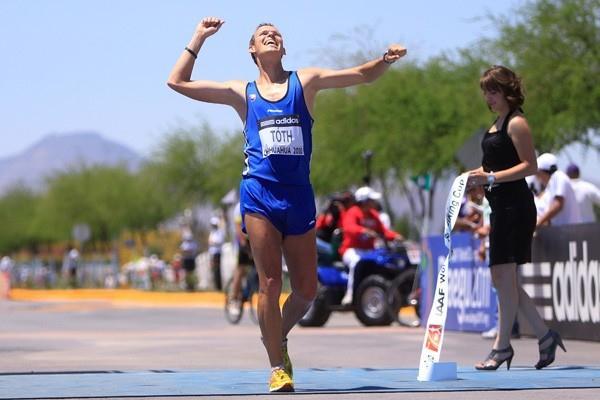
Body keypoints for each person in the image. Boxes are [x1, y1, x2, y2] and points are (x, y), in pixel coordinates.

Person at [167, 17, 406, 392]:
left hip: (298, 197)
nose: (272, 35)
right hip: (259, 194)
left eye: (277, 33)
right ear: (252, 50)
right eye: (264, 35)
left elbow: (360, 74)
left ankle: (275, 335)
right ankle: (277, 367)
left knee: (307, 290)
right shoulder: (240, 91)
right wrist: (199, 37)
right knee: (270, 282)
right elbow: (177, 82)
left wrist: (385, 60)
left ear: (284, 47)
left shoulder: (304, 82)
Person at [467, 65, 565, 371]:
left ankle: (502, 347)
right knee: (504, 279)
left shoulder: (517, 122)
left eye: (493, 90)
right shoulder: (495, 124)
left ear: (508, 90)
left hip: (516, 208)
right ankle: (544, 335)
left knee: (502, 277)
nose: (489, 97)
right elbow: (491, 167)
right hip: (500, 207)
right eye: (486, 91)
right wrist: (478, 185)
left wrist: (492, 178)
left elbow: (530, 166)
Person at [338, 186, 403, 305]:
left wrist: (395, 236)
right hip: (351, 250)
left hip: (369, 251)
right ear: (364, 201)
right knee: (356, 262)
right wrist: (363, 230)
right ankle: (350, 295)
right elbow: (349, 228)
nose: (374, 202)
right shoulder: (353, 212)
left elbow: (383, 232)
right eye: (371, 200)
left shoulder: (374, 215)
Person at [535, 153, 581, 227]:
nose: (537, 178)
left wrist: (538, 224)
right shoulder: (552, 184)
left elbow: (558, 204)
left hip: (568, 231)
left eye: (538, 174)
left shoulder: (558, 176)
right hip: (563, 231)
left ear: (542, 171)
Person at [229, 201, 254, 312]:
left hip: (254, 240)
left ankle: (249, 290)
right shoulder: (239, 207)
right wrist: (246, 247)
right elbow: (239, 229)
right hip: (242, 242)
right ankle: (233, 299)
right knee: (240, 269)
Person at [208, 216, 225, 291]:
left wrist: (213, 242)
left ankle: (219, 286)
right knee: (213, 270)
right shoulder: (212, 232)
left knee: (217, 270)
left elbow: (219, 242)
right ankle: (215, 286)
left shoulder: (219, 232)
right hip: (212, 253)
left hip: (217, 253)